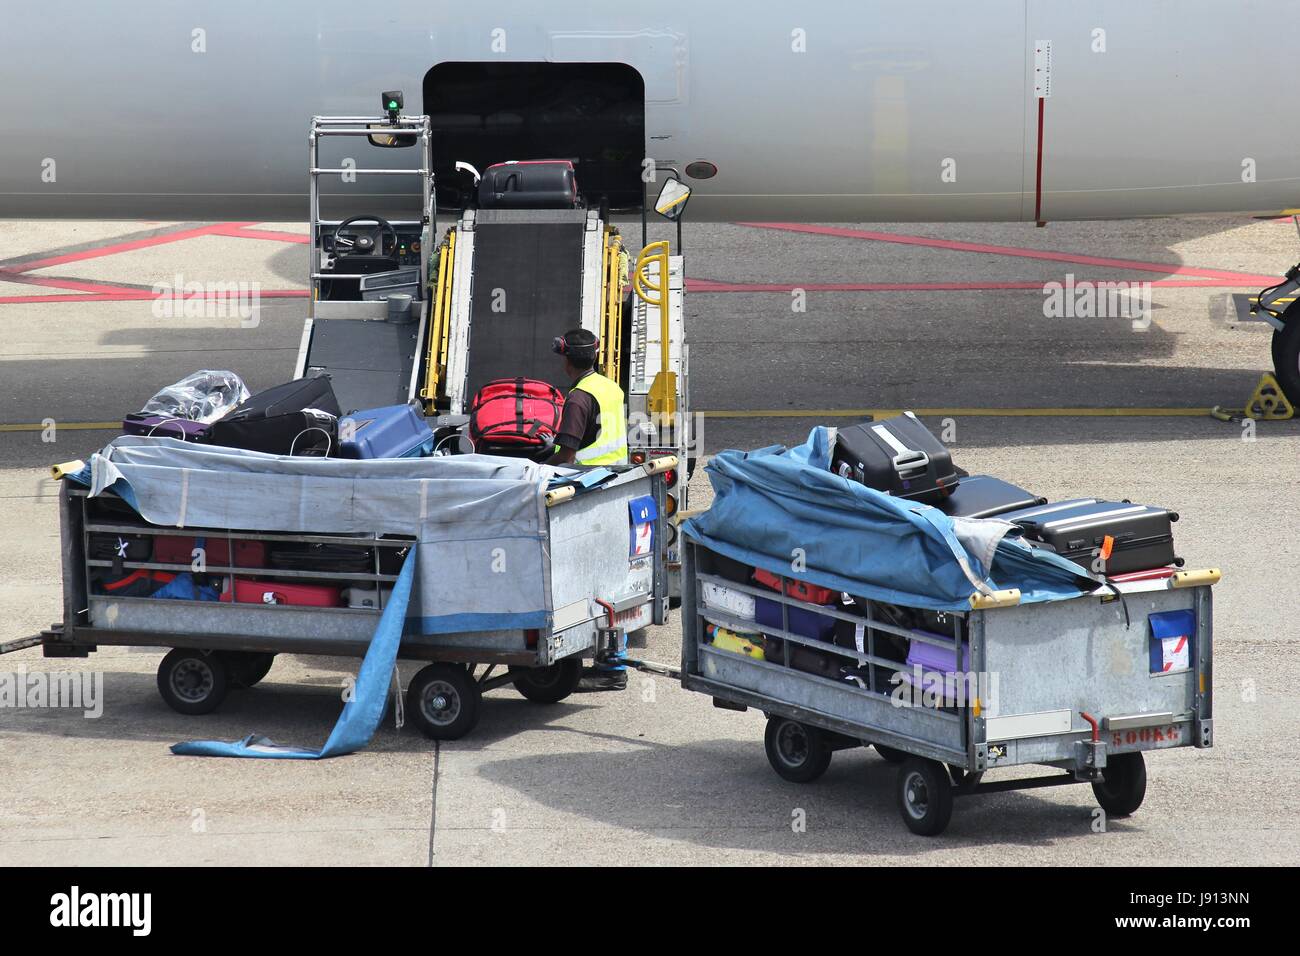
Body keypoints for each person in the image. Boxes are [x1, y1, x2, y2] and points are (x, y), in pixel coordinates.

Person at [549, 328, 630, 691]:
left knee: (583, 580)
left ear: (566, 361)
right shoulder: (610, 387)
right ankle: (614, 663)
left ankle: (610, 668)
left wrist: (536, 464)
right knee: (611, 581)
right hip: (618, 486)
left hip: (587, 492)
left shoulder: (579, 398)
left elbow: (566, 456)